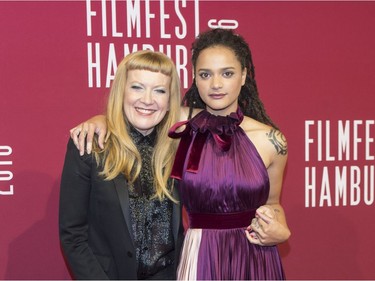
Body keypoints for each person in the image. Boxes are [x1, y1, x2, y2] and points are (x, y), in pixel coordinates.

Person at [70, 28, 291, 280]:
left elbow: (273, 204)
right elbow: (135, 113)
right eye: (205, 74)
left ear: (243, 76)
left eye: (227, 73)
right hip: (201, 256)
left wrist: (281, 231)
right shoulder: (177, 124)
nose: (216, 84)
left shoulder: (272, 140)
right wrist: (100, 120)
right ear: (195, 78)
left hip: (254, 258)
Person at [59, 50, 185, 280]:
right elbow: (73, 235)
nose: (147, 99)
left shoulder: (181, 150)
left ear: (169, 101)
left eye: (159, 90)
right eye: (137, 87)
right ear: (121, 92)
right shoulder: (91, 145)